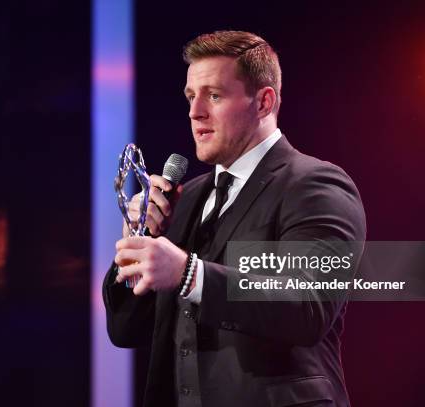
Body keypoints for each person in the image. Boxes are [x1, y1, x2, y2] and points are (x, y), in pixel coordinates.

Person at [103, 30, 366, 407]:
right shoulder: (186, 197)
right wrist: (136, 241)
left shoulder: (314, 185)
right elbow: (126, 329)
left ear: (263, 102)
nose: (195, 112)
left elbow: (308, 306)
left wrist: (189, 274)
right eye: (191, 97)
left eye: (214, 95)